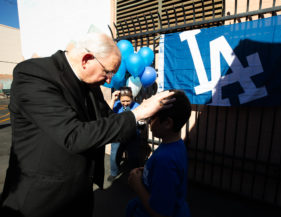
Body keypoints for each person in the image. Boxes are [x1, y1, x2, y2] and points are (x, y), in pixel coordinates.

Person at [0, 32, 175, 217]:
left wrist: (144, 115)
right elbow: (73, 135)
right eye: (108, 72)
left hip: (81, 193)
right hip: (42, 199)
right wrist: (138, 113)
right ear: (87, 59)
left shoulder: (90, 82)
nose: (109, 80)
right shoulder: (34, 74)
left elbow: (108, 120)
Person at [126, 90, 191, 217]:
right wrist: (148, 170)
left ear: (167, 123)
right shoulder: (175, 146)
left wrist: (137, 184)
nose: (149, 122)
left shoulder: (165, 160)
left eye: (152, 117)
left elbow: (159, 212)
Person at [108, 86, 140, 181]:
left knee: (134, 156)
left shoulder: (136, 106)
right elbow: (107, 113)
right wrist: (113, 99)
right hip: (118, 135)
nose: (125, 103)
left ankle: (135, 174)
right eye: (123, 101)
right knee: (114, 155)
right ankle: (114, 172)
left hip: (132, 135)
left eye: (127, 101)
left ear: (132, 99)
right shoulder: (117, 105)